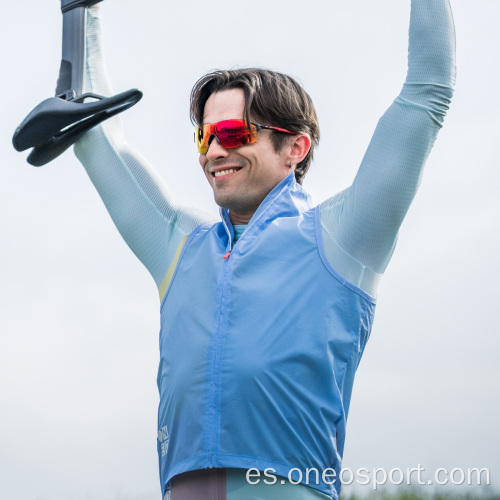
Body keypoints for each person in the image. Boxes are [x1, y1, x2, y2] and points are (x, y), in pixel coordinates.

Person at [74, 1, 456, 498]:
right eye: (205, 137)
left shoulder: (343, 237)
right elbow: (93, 132)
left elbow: (428, 92)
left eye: (233, 133)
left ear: (295, 148)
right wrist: (82, 11)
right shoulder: (181, 247)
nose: (214, 151)